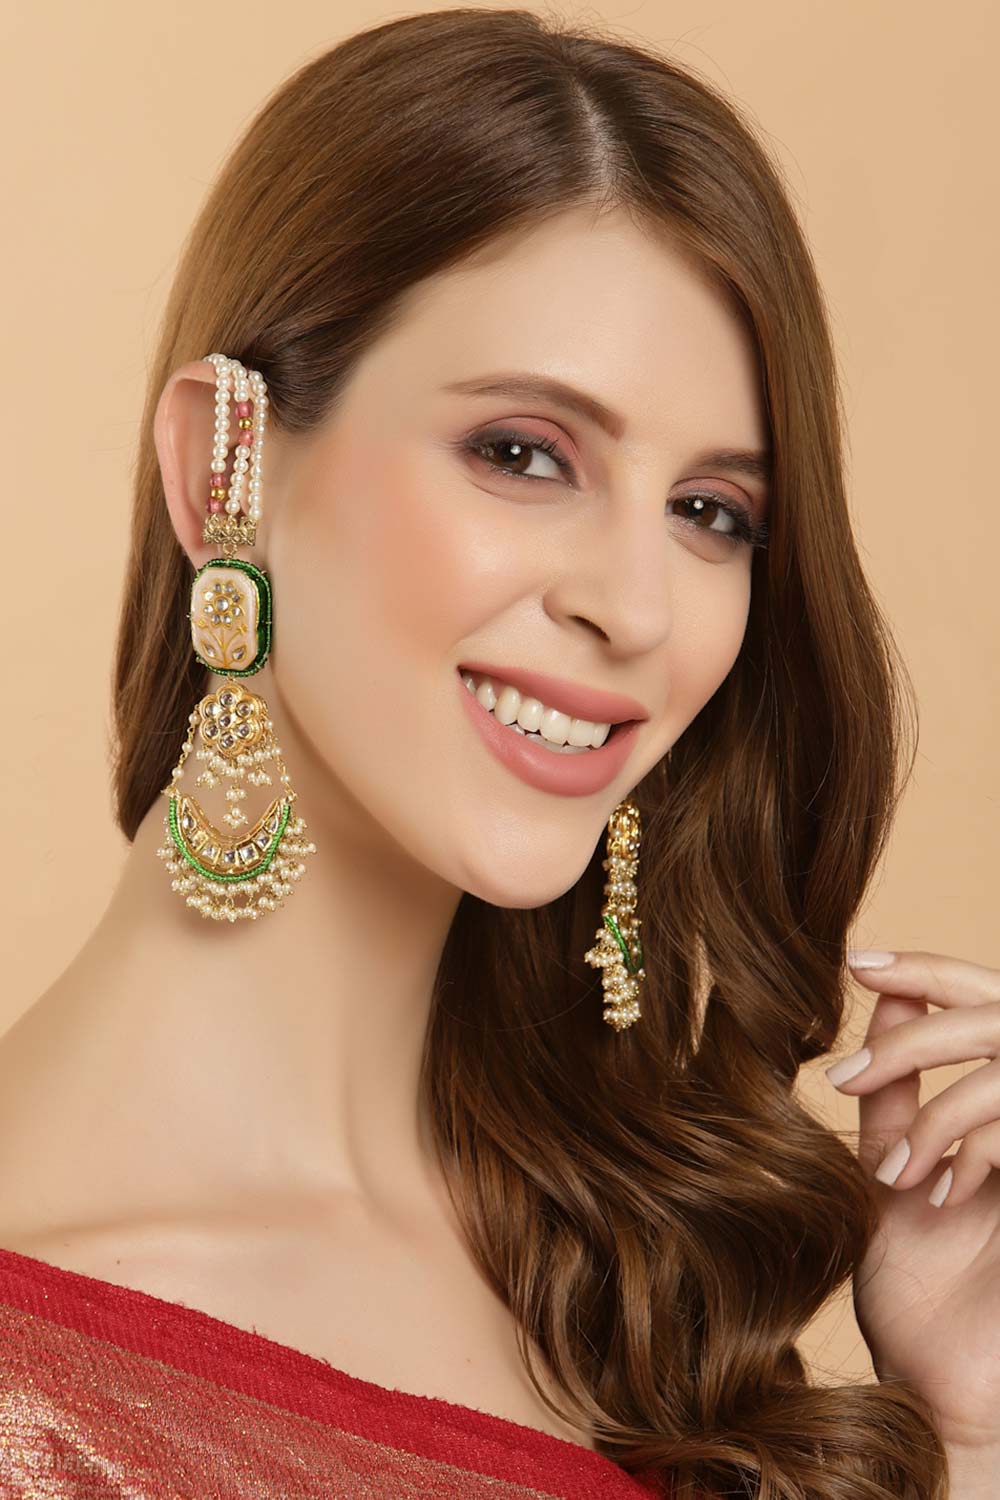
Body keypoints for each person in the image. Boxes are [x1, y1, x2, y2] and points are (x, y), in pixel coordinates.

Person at [0, 8, 996, 1497]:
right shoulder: (36, 1369)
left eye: (712, 513)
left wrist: (970, 1429)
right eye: (524, 453)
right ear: (228, 471)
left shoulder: (634, 1283)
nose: (638, 609)